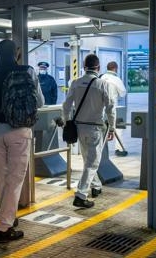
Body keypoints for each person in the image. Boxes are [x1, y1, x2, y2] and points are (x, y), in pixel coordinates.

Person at [0, 39, 44, 243]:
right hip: (21, 131)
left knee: (1, 178)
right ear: (16, 53)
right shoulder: (28, 71)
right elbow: (40, 101)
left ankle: (8, 216)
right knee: (15, 179)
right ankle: (4, 227)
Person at [63, 54, 116, 209]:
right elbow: (111, 108)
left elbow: (66, 106)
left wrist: (67, 122)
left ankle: (96, 186)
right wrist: (112, 127)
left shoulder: (76, 82)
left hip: (79, 128)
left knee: (89, 160)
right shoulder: (103, 84)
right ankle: (80, 194)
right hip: (95, 128)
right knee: (92, 163)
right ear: (98, 68)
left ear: (84, 67)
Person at [100, 61, 127, 152]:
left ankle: (101, 148)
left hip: (100, 108)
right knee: (118, 127)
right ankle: (119, 149)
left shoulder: (101, 77)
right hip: (112, 107)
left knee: (102, 127)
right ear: (115, 68)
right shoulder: (116, 79)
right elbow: (123, 93)